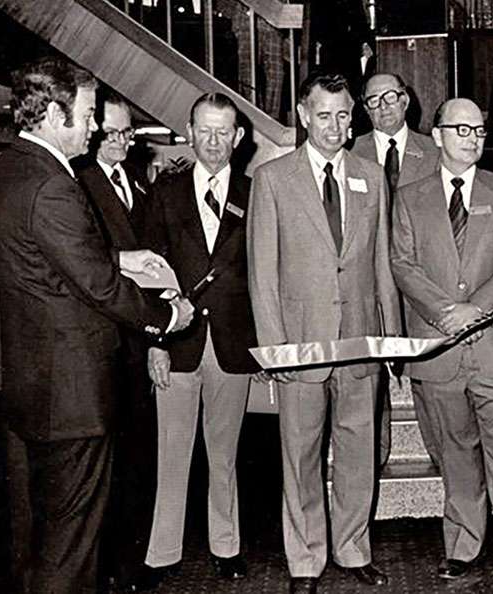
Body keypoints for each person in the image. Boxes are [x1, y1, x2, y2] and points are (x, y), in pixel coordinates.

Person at [0, 56, 194, 594]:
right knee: (71, 550)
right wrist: (170, 315)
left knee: (34, 542)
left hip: (32, 390)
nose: (96, 126)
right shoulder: (55, 184)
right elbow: (100, 291)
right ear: (56, 114)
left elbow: (50, 253)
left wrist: (118, 257)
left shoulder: (9, 168)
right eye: (87, 115)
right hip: (73, 399)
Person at [247, 72, 400, 594]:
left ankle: (353, 548)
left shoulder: (372, 176)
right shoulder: (273, 179)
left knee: (358, 455)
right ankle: (305, 560)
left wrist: (392, 339)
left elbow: (381, 263)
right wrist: (276, 350)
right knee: (301, 456)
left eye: (343, 114)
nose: (335, 126)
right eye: (325, 114)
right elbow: (261, 274)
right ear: (303, 113)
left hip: (361, 343)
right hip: (301, 345)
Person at [390, 98, 493, 594]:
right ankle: (463, 547)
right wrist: (444, 313)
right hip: (437, 349)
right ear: (436, 135)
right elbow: (402, 265)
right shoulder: (408, 196)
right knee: (455, 455)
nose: (472, 138)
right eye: (460, 129)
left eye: (479, 130)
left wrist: (474, 310)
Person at [139, 92, 259, 589]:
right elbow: (146, 272)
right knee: (171, 450)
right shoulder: (165, 194)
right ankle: (162, 552)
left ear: (238, 137)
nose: (212, 142)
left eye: (222, 132)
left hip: (233, 344)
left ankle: (225, 545)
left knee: (224, 453)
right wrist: (154, 341)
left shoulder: (257, 194)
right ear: (190, 131)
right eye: (204, 131)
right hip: (177, 341)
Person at [72, 88, 162, 591]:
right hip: (101, 341)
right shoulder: (79, 184)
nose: (123, 141)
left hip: (137, 342)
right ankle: (101, 568)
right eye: (112, 133)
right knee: (101, 466)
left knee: (134, 459)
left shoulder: (138, 183)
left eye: (129, 132)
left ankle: (128, 564)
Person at [350, 71, 441, 468]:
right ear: (364, 108)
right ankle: (375, 457)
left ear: (407, 101)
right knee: (372, 380)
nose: (384, 106)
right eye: (374, 100)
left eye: (391, 97)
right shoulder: (349, 153)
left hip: (422, 285)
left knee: (430, 377)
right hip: (369, 285)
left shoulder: (435, 152)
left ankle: (442, 455)